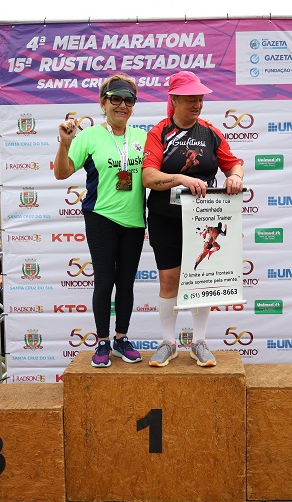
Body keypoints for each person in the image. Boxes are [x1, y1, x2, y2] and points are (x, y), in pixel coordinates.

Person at [142, 70, 245, 367]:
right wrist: (180, 179)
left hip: (204, 218)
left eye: (200, 99)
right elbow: (148, 177)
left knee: (202, 279)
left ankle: (199, 342)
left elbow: (233, 164)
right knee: (169, 280)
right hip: (165, 217)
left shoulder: (210, 132)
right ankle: (168, 343)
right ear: (174, 100)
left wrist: (235, 178)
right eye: (190, 99)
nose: (197, 105)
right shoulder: (159, 132)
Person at [54, 73, 147, 368]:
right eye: (115, 99)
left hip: (134, 220)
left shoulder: (143, 137)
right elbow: (62, 173)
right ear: (103, 102)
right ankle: (103, 342)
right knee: (105, 281)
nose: (122, 105)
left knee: (126, 283)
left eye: (129, 100)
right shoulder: (90, 136)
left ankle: (121, 339)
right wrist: (65, 143)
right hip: (101, 217)